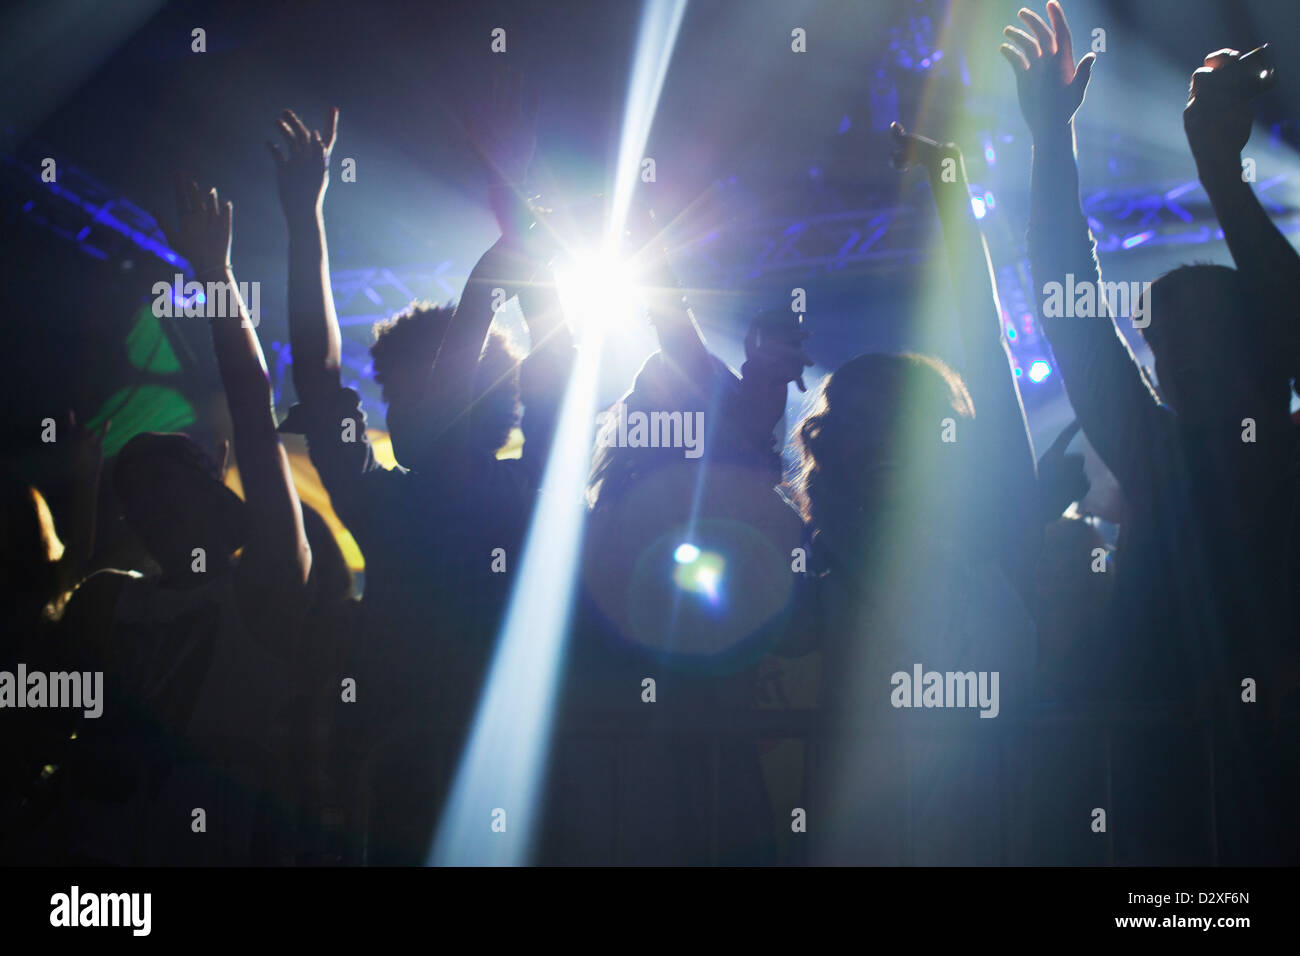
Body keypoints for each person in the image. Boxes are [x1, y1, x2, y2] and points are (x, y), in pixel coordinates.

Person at [1000, 0, 1298, 863]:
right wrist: (1052, 139)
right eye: (1157, 341)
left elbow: (1071, 303)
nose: (1159, 356)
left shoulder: (1201, 458)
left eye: (1173, 339)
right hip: (1185, 796)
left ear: (1245, 344)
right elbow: (1071, 308)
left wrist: (1219, 175)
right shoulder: (1171, 450)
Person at [270, 80, 575, 864]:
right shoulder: (399, 504)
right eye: (397, 397)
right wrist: (304, 218)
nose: (398, 413)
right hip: (413, 786)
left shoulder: (527, 491)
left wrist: (511, 198)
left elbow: (554, 349)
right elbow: (320, 375)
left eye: (417, 394)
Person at [788, 125, 1039, 865]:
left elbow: (987, 353)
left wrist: (952, 186)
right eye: (870, 427)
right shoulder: (807, 583)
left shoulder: (990, 540)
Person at [49, 179, 312, 865]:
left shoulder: (259, 588)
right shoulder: (112, 597)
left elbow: (256, 418)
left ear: (206, 488)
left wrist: (216, 276)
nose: (153, 504)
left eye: (168, 482)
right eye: (137, 493)